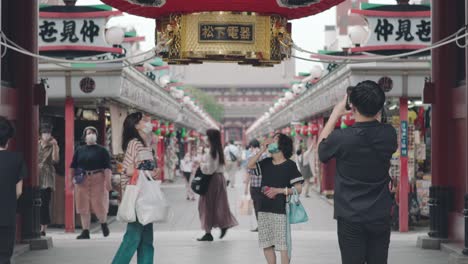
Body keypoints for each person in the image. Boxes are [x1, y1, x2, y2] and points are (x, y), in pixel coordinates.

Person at [318, 80, 398, 264]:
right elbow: (377, 125)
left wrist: (336, 113)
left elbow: (322, 152)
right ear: (379, 107)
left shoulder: (341, 138)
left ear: (352, 106)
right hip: (380, 214)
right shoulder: (389, 134)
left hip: (350, 215)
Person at [247, 133, 304, 264]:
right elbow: (250, 165)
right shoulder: (266, 162)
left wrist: (280, 190)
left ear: (282, 145)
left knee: (283, 245)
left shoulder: (290, 165)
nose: (271, 141)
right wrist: (262, 149)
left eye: (275, 140)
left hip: (280, 210)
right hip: (263, 209)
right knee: (266, 244)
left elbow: (298, 188)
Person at [112, 112, 160, 264]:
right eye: (144, 120)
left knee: (146, 238)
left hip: (143, 192)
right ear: (136, 125)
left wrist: (152, 172)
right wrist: (150, 172)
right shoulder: (135, 143)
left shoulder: (142, 143)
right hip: (138, 194)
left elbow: (144, 168)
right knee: (133, 237)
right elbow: (129, 170)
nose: (148, 123)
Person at [70, 126, 112, 239]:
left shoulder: (102, 150)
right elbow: (73, 166)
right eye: (88, 133)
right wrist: (70, 181)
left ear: (96, 135)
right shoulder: (79, 150)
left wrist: (108, 182)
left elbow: (107, 167)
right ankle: (85, 231)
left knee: (99, 203)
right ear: (85, 136)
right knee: (83, 205)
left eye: (93, 133)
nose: (91, 135)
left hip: (98, 178)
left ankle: (103, 223)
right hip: (82, 180)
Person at [197, 129, 238, 242]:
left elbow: (210, 170)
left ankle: (208, 232)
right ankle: (223, 224)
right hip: (219, 179)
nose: (205, 138)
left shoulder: (212, 152)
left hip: (211, 180)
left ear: (210, 138)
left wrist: (201, 164)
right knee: (219, 204)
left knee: (206, 205)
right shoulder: (218, 150)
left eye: (206, 136)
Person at [0, 116, 27, 264]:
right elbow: (19, 191)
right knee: (4, 257)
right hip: (6, 216)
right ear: (8, 139)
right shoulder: (17, 159)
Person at [38, 124, 60, 236]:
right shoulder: (37, 144)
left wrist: (55, 145)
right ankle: (36, 225)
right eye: (44, 132)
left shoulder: (53, 146)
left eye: (48, 133)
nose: (46, 135)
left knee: (44, 202)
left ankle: (43, 228)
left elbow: (55, 160)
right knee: (35, 201)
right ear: (41, 134)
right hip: (36, 175)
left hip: (47, 176)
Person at [245, 139, 267, 232]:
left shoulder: (251, 156)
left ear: (251, 147)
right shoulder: (265, 155)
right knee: (264, 206)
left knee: (257, 206)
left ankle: (260, 226)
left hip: (255, 185)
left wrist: (246, 187)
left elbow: (249, 173)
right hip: (265, 185)